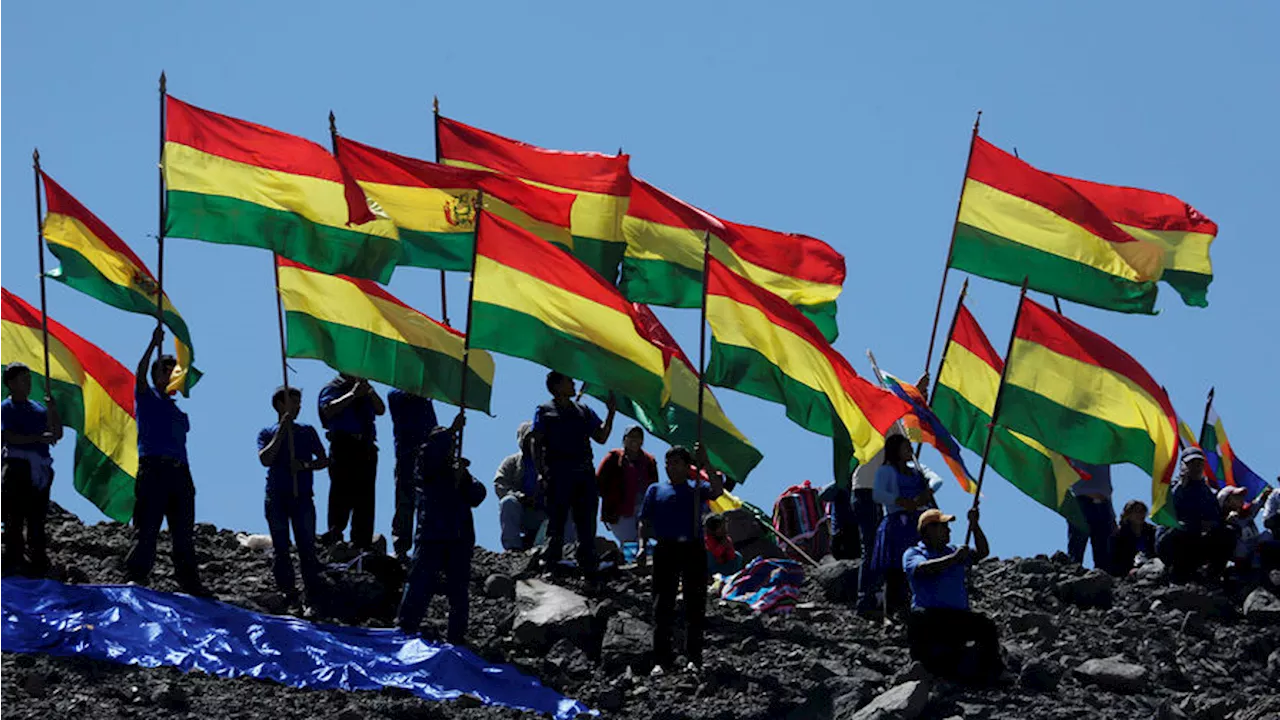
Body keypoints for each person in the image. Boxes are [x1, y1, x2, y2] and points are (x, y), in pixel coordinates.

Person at [125, 328, 208, 596]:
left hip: (180, 473)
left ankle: (189, 582)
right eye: (165, 370)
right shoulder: (146, 397)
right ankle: (137, 576)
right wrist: (152, 344)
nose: (170, 375)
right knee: (148, 526)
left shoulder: (178, 411)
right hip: (154, 469)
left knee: (182, 532)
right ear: (156, 375)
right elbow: (138, 374)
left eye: (174, 371)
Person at [637, 444, 724, 674]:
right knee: (661, 605)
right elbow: (644, 521)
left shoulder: (696, 488)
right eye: (668, 462)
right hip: (665, 549)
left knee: (694, 604)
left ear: (687, 467)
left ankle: (693, 658)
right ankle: (661, 661)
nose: (670, 467)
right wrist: (641, 547)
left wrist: (706, 461)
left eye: (676, 462)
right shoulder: (655, 490)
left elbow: (717, 491)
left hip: (693, 547)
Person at [397, 417, 483, 646]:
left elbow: (478, 495)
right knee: (420, 583)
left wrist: (463, 476)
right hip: (433, 534)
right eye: (448, 443)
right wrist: (452, 431)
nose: (451, 446)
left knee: (458, 589)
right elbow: (432, 453)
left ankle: (456, 637)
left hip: (458, 536)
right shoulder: (426, 464)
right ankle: (406, 627)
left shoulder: (457, 472)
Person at [531, 371, 616, 577]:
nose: (574, 382)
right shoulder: (544, 411)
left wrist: (611, 412)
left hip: (584, 472)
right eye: (569, 380)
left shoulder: (583, 410)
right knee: (557, 520)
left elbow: (601, 436)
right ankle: (551, 563)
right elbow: (536, 442)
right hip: (558, 472)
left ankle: (588, 565)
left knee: (586, 521)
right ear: (557, 386)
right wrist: (541, 471)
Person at [903, 507, 1002, 683]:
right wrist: (954, 559)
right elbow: (924, 568)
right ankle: (925, 670)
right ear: (929, 530)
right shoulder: (914, 553)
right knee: (917, 619)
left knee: (986, 626)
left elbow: (982, 552)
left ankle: (991, 672)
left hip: (957, 616)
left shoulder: (954, 550)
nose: (948, 530)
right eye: (943, 526)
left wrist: (975, 525)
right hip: (931, 615)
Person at [257, 386, 329, 603]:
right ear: (280, 405)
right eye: (293, 402)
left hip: (302, 496)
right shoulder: (267, 432)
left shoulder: (307, 431)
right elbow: (265, 459)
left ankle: (312, 594)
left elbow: (324, 460)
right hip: (276, 496)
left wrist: (304, 465)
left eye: (299, 403)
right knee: (281, 546)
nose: (298, 407)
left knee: (307, 545)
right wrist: (281, 431)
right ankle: (287, 590)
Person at [859, 434, 942, 617]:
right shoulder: (885, 471)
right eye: (906, 447)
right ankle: (890, 613)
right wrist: (899, 501)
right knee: (894, 571)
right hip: (897, 523)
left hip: (916, 524)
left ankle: (913, 607)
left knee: (916, 567)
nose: (910, 451)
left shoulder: (918, 469)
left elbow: (937, 480)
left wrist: (927, 492)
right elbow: (878, 494)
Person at [0, 363, 61, 575]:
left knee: (37, 517)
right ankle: (14, 559)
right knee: (14, 516)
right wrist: (37, 438)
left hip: (40, 469)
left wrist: (53, 410)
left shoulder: (38, 409)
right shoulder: (6, 408)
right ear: (10, 383)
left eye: (28, 379)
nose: (27, 383)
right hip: (17, 466)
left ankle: (38, 560)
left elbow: (56, 434)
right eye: (22, 379)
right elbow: (9, 437)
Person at [317, 373, 385, 549]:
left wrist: (368, 391)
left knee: (365, 498)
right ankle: (335, 536)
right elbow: (328, 410)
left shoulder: (365, 389)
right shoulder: (333, 388)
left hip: (366, 447)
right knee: (341, 493)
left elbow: (380, 409)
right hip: (344, 445)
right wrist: (352, 394)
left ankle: (361, 541)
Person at [1156, 447, 1235, 584]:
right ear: (1183, 466)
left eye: (1199, 464)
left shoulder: (1206, 492)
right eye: (1192, 464)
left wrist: (1211, 525)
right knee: (1183, 530)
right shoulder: (1172, 488)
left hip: (1197, 540)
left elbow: (1216, 517)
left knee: (1228, 533)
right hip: (1171, 542)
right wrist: (1182, 486)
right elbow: (1165, 515)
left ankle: (1212, 575)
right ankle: (1177, 574)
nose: (1196, 467)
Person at [389, 389, 438, 563]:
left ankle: (423, 547)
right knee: (405, 501)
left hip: (427, 457)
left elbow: (432, 427)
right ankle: (401, 547)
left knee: (426, 503)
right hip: (407, 456)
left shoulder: (425, 400)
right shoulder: (398, 395)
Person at [597, 425, 659, 547]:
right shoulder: (613, 457)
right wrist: (610, 500)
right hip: (619, 512)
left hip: (642, 509)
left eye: (638, 437)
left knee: (646, 542)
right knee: (630, 543)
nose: (634, 440)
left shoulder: (649, 461)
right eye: (631, 436)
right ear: (624, 439)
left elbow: (654, 488)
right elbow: (598, 482)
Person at [496, 421, 548, 551]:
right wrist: (520, 496)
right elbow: (500, 483)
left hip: (546, 515)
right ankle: (513, 548)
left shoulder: (550, 462)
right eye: (529, 437)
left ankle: (561, 549)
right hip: (522, 512)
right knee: (507, 502)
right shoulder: (512, 462)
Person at [1066, 463, 1116, 572]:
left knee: (1103, 547)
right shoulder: (1076, 450)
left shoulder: (1104, 455)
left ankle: (1102, 579)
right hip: (1082, 501)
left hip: (1103, 503)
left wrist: (1111, 512)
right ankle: (1072, 575)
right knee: (1077, 543)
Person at [1109, 500, 1157, 578]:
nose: (1140, 514)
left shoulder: (1151, 531)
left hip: (1151, 565)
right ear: (1128, 514)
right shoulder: (1119, 534)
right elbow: (1116, 558)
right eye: (1137, 511)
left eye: (1142, 511)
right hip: (1126, 572)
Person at [704, 513, 743, 577]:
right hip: (713, 567)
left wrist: (728, 548)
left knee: (738, 556)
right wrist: (722, 546)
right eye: (721, 528)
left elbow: (731, 555)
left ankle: (735, 575)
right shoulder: (708, 539)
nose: (724, 530)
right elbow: (715, 553)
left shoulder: (726, 539)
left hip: (725, 565)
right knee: (709, 554)